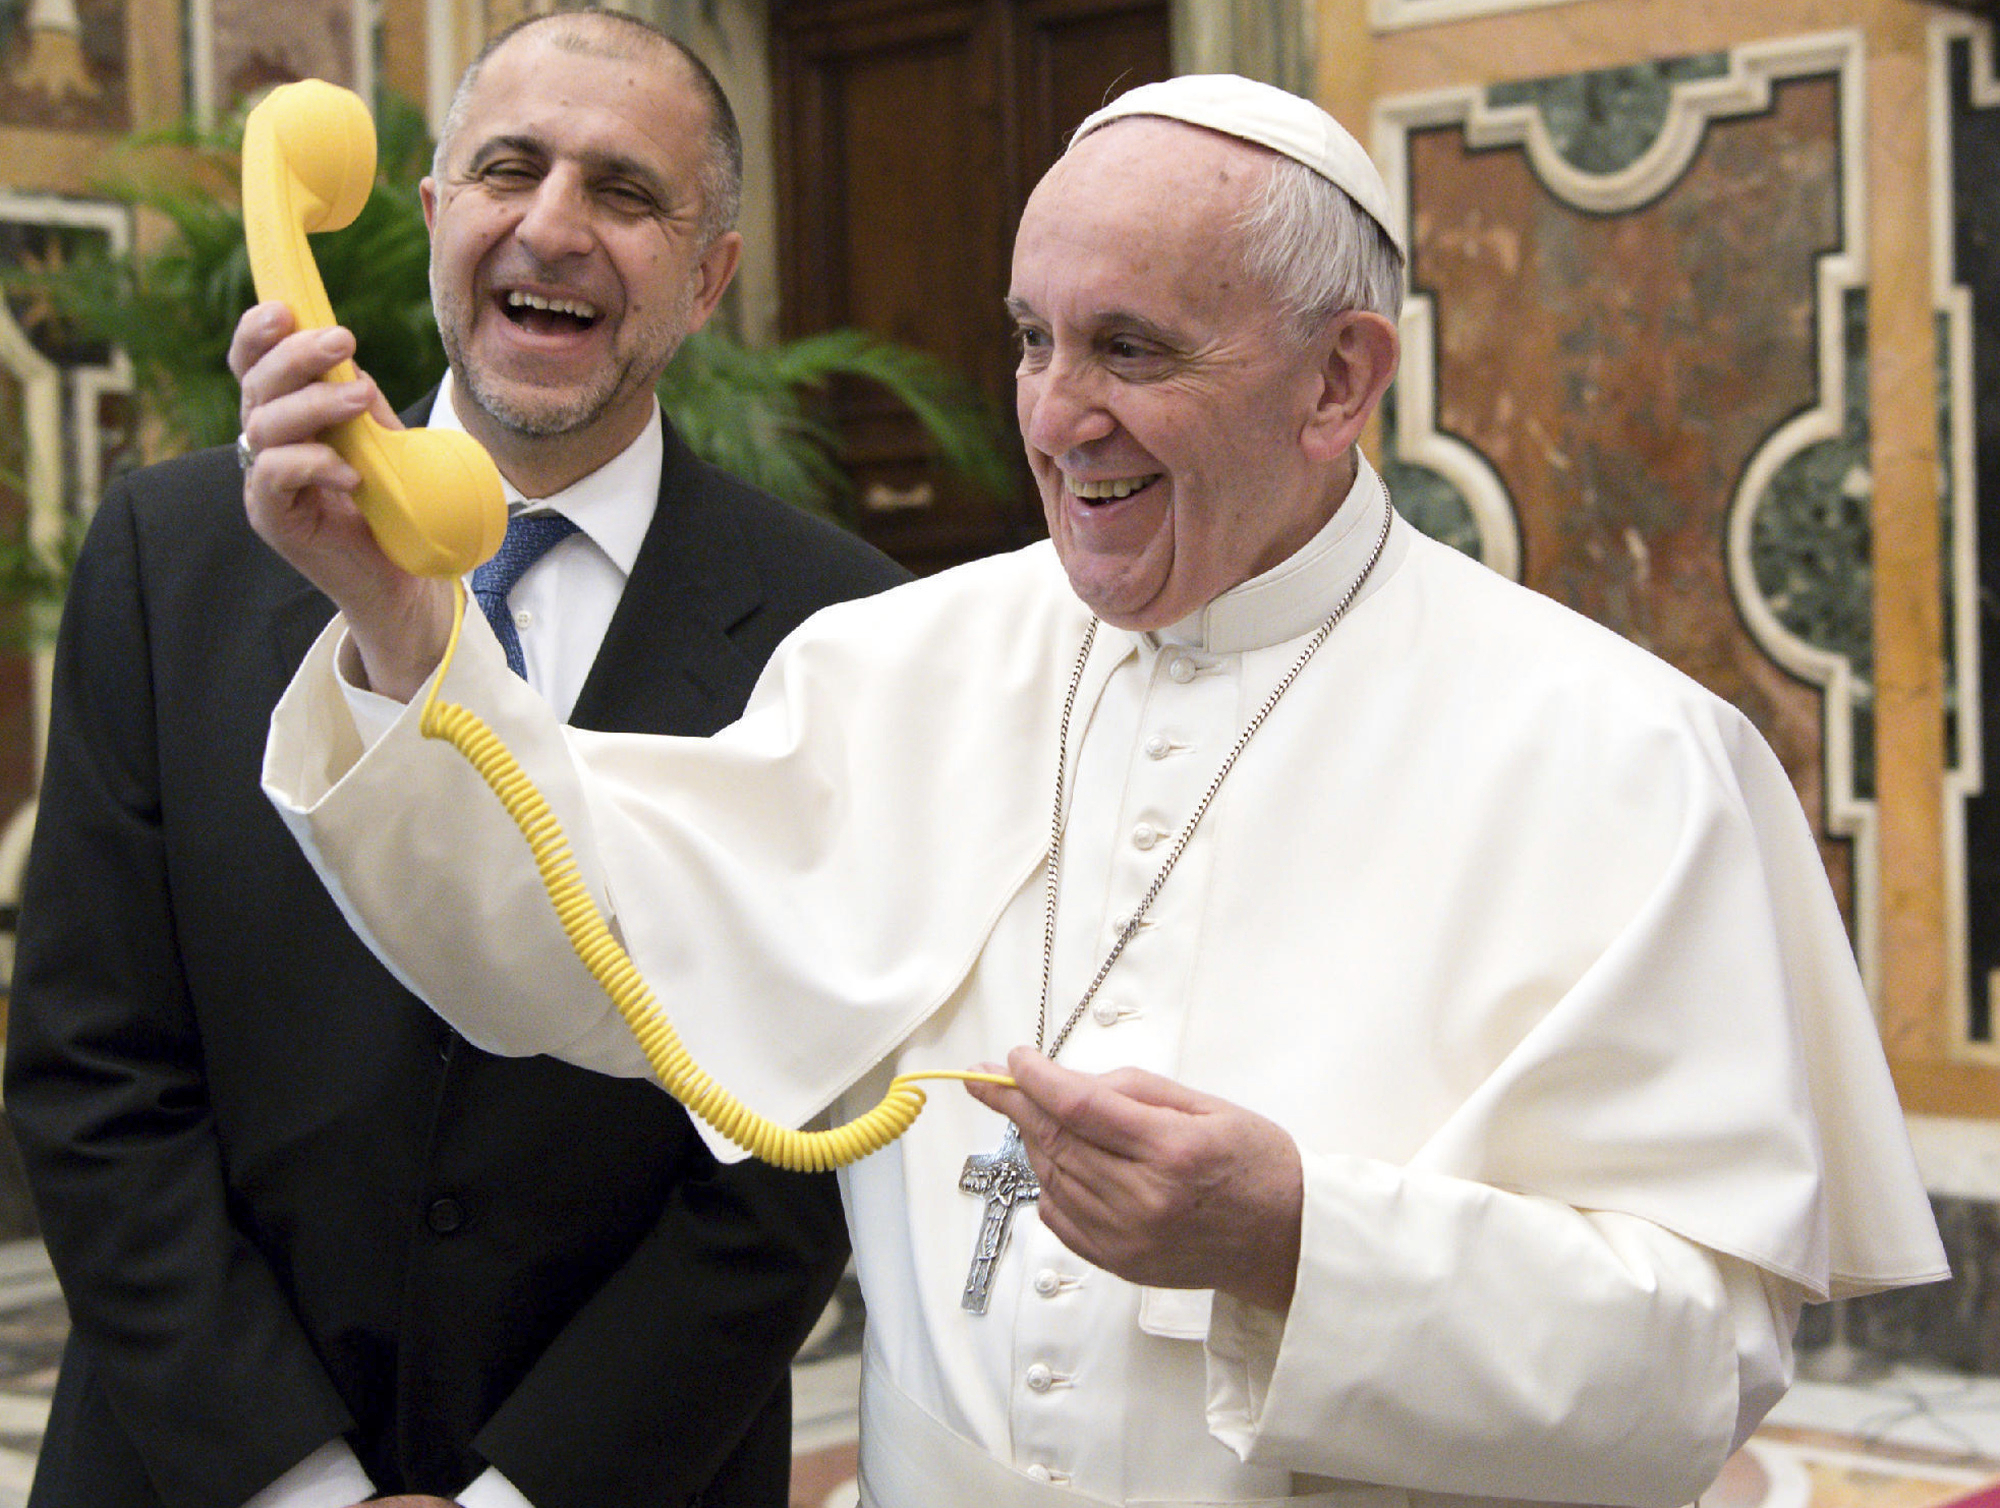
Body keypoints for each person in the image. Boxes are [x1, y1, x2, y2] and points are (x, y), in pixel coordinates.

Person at [251, 73, 1947, 1508]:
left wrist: (1296, 1239)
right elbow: (579, 936)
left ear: (1340, 378)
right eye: (1032, 340)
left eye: (1130, 348)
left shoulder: (1626, 756)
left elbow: (1692, 1369)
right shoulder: (895, 668)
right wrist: (404, 624)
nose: (1058, 420)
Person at [4, 10, 905, 1508]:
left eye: (624, 193)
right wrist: (299, 1484)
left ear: (712, 277)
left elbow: (789, 1162)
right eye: (508, 169)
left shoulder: (849, 630)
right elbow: (94, 1076)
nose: (551, 227)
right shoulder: (171, 557)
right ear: (431, 219)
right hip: (196, 1467)